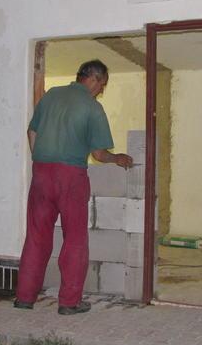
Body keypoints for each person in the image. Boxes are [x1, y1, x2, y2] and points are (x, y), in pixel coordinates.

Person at [15, 60, 133, 315]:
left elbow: (32, 131)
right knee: (75, 239)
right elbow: (99, 154)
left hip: (41, 173)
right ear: (93, 79)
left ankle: (24, 297)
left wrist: (41, 159)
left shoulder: (51, 96)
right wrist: (118, 158)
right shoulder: (92, 107)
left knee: (36, 236)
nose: (101, 90)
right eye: (102, 85)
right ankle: (69, 302)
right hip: (70, 177)